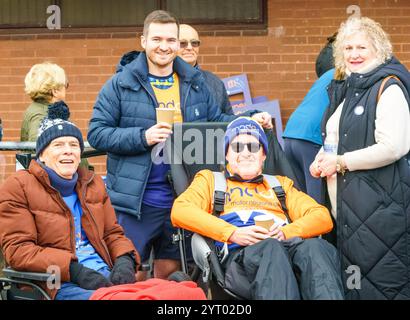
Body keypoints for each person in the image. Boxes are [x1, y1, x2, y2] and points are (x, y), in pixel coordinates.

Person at [87, 10, 272, 281]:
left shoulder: (195, 83)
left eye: (171, 40)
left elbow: (217, 121)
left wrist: (249, 119)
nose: (165, 46)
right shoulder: (119, 85)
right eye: (157, 39)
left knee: (172, 268)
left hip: (185, 196)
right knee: (131, 269)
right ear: (143, 41)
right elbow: (97, 133)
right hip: (137, 200)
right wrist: (143, 136)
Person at [171, 117, 344, 300]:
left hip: (286, 246)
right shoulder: (211, 180)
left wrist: (286, 232)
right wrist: (232, 233)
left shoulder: (280, 185)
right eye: (237, 147)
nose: (246, 153)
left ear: (263, 155)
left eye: (253, 147)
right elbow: (180, 210)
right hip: (240, 257)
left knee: (315, 248)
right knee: (270, 248)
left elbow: (322, 216)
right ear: (226, 155)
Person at [309, 16, 410, 300]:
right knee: (354, 284)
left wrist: (341, 162)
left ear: (379, 50)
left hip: (378, 211)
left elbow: (394, 146)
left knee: (382, 285)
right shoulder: (348, 88)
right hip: (348, 210)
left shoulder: (388, 88)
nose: (354, 54)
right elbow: (333, 137)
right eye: (348, 48)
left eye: (362, 48)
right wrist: (320, 158)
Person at [0, 106, 140, 300]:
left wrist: (124, 260)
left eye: (74, 145)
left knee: (181, 293)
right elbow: (18, 251)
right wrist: (74, 271)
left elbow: (112, 234)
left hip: (103, 276)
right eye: (58, 145)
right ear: (41, 154)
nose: (68, 151)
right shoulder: (18, 186)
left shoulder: (93, 183)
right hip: (54, 283)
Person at [282, 32, 336, 203]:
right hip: (311, 137)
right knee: (316, 202)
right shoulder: (346, 73)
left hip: (292, 133)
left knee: (300, 199)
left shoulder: (328, 74)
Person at [177, 24, 233, 115]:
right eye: (183, 43)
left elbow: (228, 123)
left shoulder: (215, 82)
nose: (190, 48)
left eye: (194, 43)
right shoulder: (163, 82)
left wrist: (251, 116)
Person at [21, 62, 69, 142]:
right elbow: (36, 146)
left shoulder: (42, 109)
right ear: (55, 91)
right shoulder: (41, 114)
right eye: (65, 85)